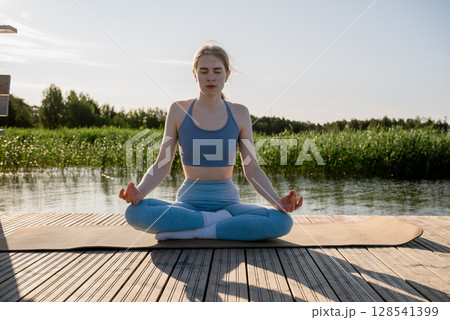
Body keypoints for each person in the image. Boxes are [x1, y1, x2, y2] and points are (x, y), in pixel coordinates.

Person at [119, 43, 303, 241]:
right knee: (135, 213)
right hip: (188, 204)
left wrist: (277, 201)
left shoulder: (240, 113)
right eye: (204, 71)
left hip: (229, 205)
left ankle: (196, 230)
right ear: (194, 74)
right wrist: (140, 192)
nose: (210, 77)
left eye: (217, 71)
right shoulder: (178, 111)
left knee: (281, 221)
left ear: (227, 75)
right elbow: (162, 165)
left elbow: (252, 170)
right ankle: (216, 225)